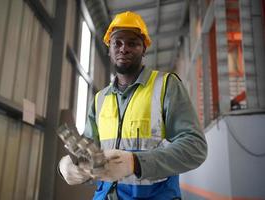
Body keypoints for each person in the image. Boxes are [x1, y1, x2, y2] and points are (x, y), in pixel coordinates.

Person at [58, 11, 207, 200]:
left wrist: (135, 163)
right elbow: (90, 155)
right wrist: (69, 167)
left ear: (144, 49)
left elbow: (195, 148)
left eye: (132, 43)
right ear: (109, 49)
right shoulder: (100, 99)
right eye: (117, 43)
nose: (124, 48)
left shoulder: (166, 86)